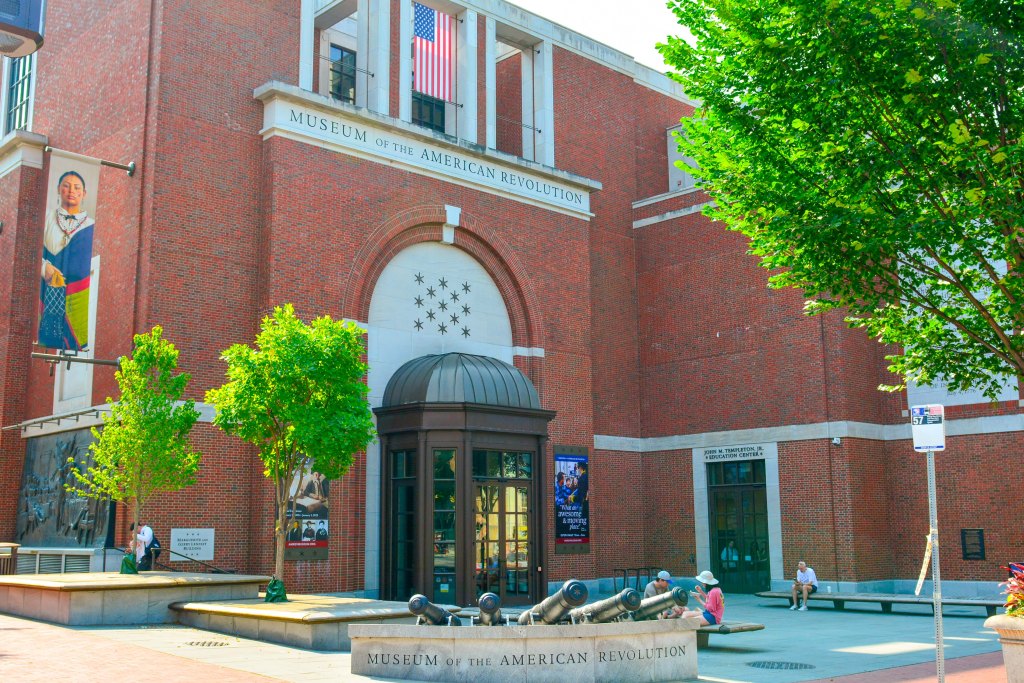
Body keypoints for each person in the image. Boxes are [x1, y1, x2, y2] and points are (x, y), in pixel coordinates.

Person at [39, 170, 95, 351]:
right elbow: (33, 249)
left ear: (83, 193)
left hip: (77, 300)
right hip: (49, 296)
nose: (71, 191)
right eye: (66, 186)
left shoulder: (91, 225)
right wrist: (44, 267)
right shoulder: (46, 219)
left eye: (77, 187)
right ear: (58, 189)